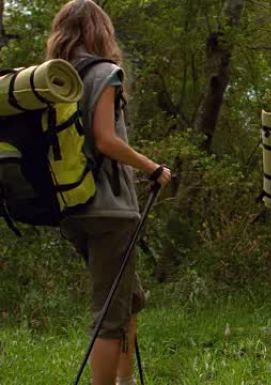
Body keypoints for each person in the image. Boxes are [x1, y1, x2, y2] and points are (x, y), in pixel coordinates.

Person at [46, 1, 171, 384]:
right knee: (109, 313)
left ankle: (126, 380)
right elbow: (105, 140)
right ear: (100, 31)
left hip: (71, 206)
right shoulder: (105, 73)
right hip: (110, 210)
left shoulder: (56, 79)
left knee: (129, 298)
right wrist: (153, 167)